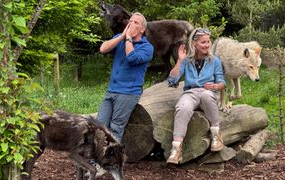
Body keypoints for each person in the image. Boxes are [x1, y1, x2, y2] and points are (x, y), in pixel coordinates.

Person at [166, 28, 226, 164]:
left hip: (208, 93)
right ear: (194, 44)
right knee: (182, 107)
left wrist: (215, 86)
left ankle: (216, 134)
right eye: (203, 42)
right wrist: (179, 61)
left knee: (206, 95)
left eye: (208, 41)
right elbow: (172, 80)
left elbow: (222, 82)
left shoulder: (215, 61)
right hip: (191, 93)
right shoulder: (187, 61)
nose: (207, 45)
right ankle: (176, 150)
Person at [97, 12, 154, 143]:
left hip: (128, 93)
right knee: (99, 126)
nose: (131, 24)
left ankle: (110, 162)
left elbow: (131, 58)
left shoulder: (147, 48)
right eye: (130, 21)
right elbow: (103, 49)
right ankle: (94, 159)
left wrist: (128, 38)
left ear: (142, 29)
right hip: (112, 90)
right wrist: (122, 36)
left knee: (116, 128)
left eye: (136, 23)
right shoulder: (121, 38)